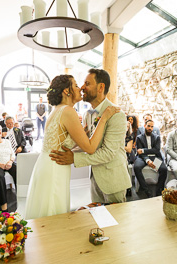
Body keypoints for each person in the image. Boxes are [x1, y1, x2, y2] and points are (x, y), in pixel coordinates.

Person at [25, 74, 120, 219]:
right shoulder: (68, 111)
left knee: (47, 214)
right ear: (66, 91)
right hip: (55, 167)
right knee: (54, 214)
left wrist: (82, 134)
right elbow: (90, 148)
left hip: (47, 164)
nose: (80, 88)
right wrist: (104, 118)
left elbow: (61, 141)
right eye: (76, 85)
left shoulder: (56, 110)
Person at [49, 69, 131, 205]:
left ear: (100, 87)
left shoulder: (117, 114)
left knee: (117, 223)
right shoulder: (87, 115)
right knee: (97, 219)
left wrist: (74, 158)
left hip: (113, 180)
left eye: (87, 83)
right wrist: (67, 153)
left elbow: (108, 153)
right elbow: (87, 144)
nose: (82, 87)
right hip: (95, 180)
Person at [134, 119, 168, 197]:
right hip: (143, 158)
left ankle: (159, 189)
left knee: (164, 169)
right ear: (145, 126)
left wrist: (143, 150)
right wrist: (147, 160)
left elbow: (156, 150)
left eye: (152, 126)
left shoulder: (157, 137)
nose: (150, 128)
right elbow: (139, 153)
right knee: (136, 167)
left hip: (155, 156)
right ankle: (145, 189)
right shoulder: (139, 137)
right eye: (148, 126)